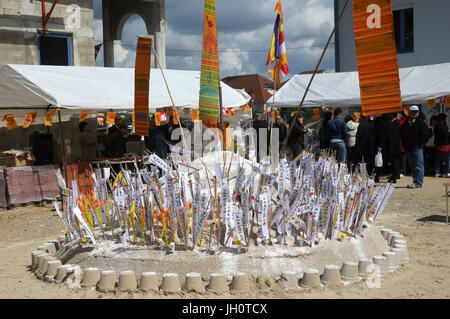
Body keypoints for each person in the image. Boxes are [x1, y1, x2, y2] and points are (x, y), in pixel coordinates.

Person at [401, 105, 432, 188]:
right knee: (412, 166)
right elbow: (402, 134)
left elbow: (426, 134)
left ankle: (418, 182)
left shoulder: (420, 123)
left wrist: (420, 143)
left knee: (418, 165)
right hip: (408, 148)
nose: (414, 114)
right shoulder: (406, 123)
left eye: (416, 112)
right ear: (409, 113)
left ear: (418, 113)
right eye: (412, 112)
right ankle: (415, 181)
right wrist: (405, 144)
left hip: (417, 148)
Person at [379, 113, 402, 183]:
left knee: (393, 162)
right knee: (395, 161)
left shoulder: (390, 124)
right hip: (396, 145)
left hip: (391, 146)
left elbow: (385, 136)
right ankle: (396, 175)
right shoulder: (396, 123)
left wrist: (381, 145)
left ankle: (394, 176)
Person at [433, 113, 450, 178]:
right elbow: (446, 135)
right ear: (443, 119)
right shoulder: (443, 126)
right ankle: (445, 173)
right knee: (447, 159)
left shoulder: (436, 126)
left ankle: (437, 172)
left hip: (438, 144)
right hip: (445, 144)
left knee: (438, 159)